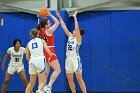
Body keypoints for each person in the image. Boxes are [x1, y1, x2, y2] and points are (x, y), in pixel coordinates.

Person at [56, 11, 87, 93]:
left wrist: (75, 17)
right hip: (68, 59)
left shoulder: (78, 39)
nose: (73, 30)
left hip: (75, 60)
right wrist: (60, 17)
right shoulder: (70, 36)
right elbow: (64, 27)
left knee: (79, 79)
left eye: (75, 31)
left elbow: (77, 28)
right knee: (69, 79)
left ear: (78, 33)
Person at [36, 10, 61, 93]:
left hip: (44, 51)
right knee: (58, 70)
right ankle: (48, 86)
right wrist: (50, 14)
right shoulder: (49, 30)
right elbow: (57, 22)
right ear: (46, 25)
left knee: (46, 73)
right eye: (49, 23)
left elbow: (40, 26)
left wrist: (44, 18)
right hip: (50, 50)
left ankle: (41, 89)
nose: (50, 24)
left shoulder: (41, 31)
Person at [25, 28, 52, 93]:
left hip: (32, 61)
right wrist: (50, 54)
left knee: (31, 83)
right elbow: (48, 52)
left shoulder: (28, 43)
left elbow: (27, 57)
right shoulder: (42, 40)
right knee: (42, 81)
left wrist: (30, 61)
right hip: (40, 60)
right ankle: (39, 91)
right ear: (38, 34)